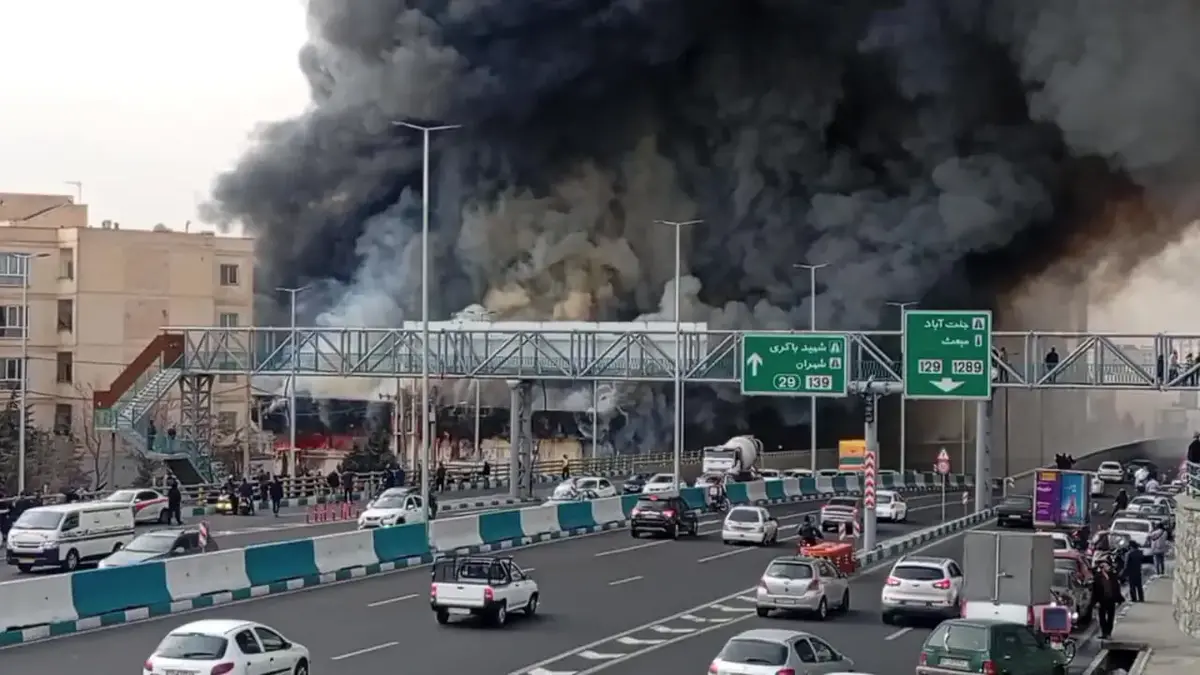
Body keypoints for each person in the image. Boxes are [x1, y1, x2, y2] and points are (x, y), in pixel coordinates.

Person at [1090, 560, 1123, 639]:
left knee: (1111, 617)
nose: (1108, 567)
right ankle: (1104, 632)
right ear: (1102, 568)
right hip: (1102, 600)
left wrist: (1118, 598)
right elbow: (1095, 591)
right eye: (1106, 566)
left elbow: (1116, 587)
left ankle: (1109, 633)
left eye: (1108, 566)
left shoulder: (1112, 575)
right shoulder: (1097, 577)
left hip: (1111, 599)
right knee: (1102, 617)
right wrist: (1095, 601)